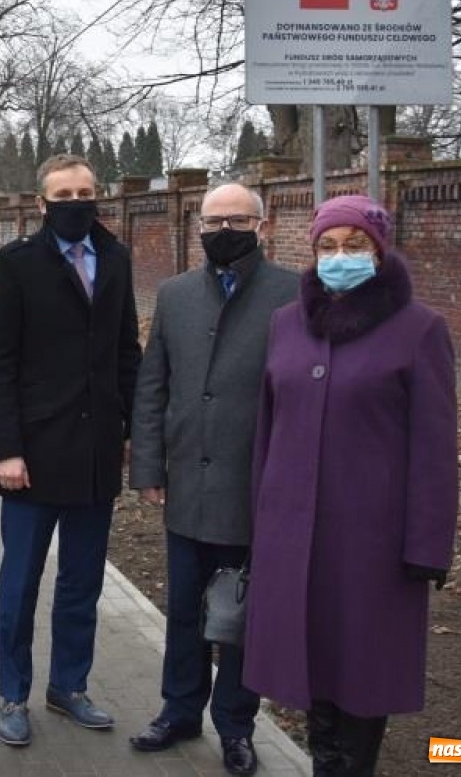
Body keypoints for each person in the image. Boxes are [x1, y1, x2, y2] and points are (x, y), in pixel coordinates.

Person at [245, 194, 458, 776]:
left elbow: (436, 450)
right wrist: (261, 522)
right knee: (309, 664)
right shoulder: (286, 325)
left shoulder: (419, 330)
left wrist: (428, 546)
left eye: (355, 245)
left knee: (362, 672)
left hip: (373, 544)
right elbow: (269, 428)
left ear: (379, 250)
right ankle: (323, 761)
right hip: (293, 535)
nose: (341, 257)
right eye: (328, 247)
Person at [127, 183, 299, 776]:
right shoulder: (175, 294)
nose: (224, 228)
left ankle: (236, 726)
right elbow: (152, 387)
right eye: (213, 219)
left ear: (263, 224)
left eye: (238, 218)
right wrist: (147, 467)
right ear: (198, 225)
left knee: (239, 614)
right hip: (185, 486)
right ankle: (178, 711)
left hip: (254, 487)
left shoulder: (293, 295)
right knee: (182, 610)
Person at [0, 153, 142, 748]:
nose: (78, 201)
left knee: (82, 584)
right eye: (64, 193)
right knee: (19, 583)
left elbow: (127, 352)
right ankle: (12, 694)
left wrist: (130, 435)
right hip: (31, 458)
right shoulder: (15, 264)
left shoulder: (117, 259)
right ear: (42, 203)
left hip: (96, 455)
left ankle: (68, 686)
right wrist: (4, 449)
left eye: (86, 191)